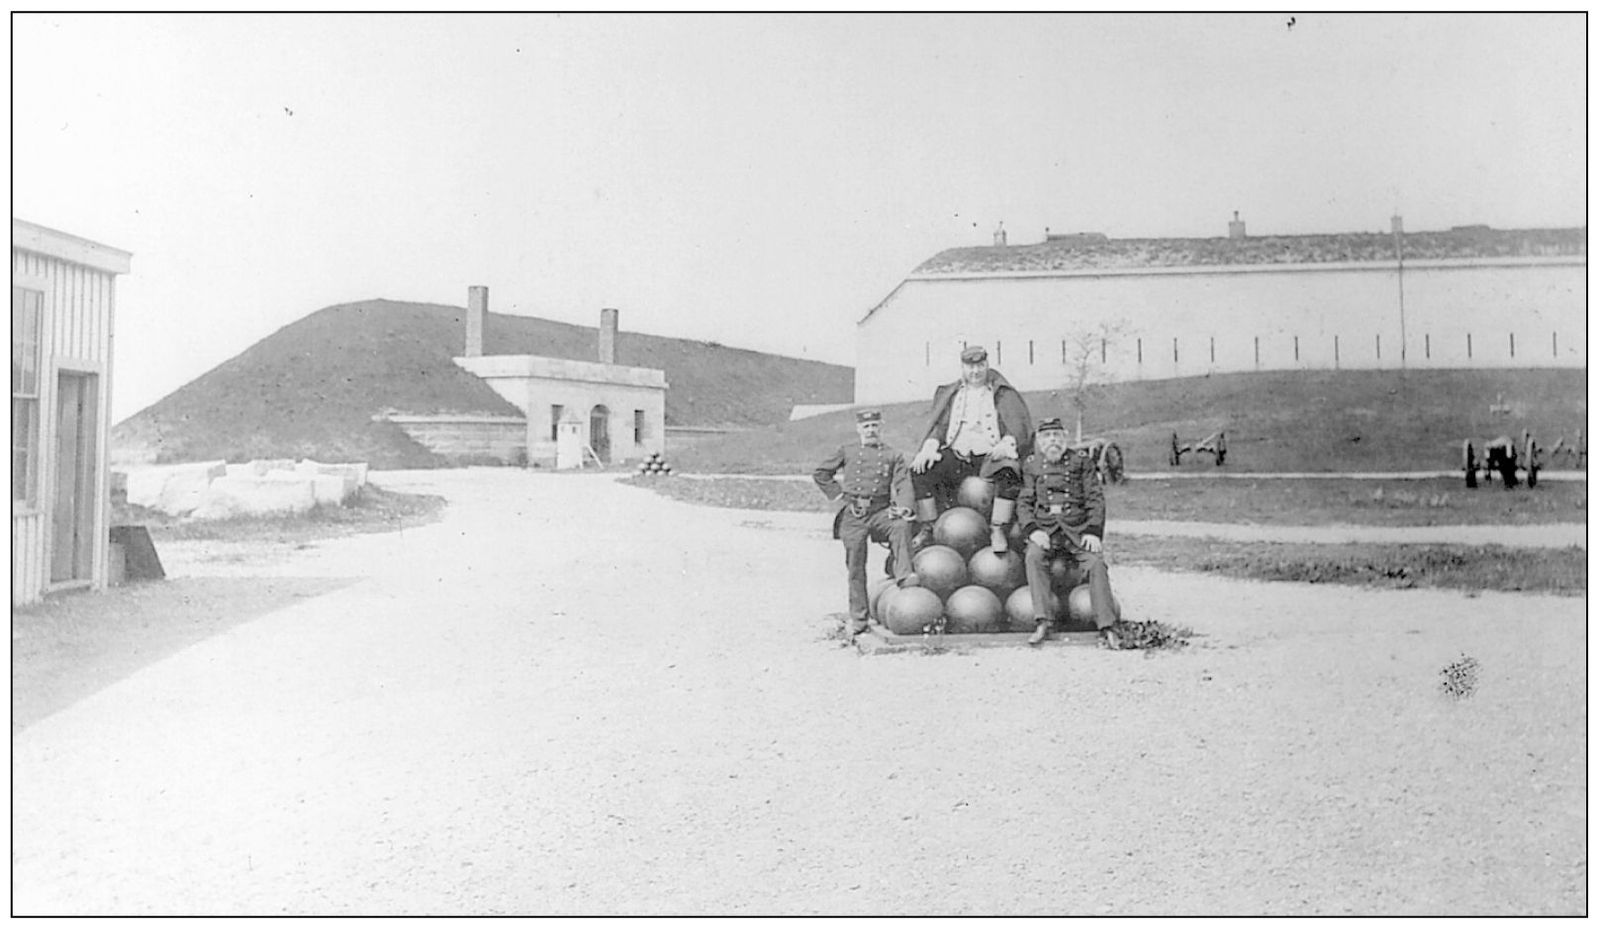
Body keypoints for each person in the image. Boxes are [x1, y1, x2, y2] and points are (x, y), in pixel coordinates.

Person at [909, 345, 1034, 553]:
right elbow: (940, 427)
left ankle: (998, 527)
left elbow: (1017, 425)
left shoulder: (1000, 392)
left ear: (987, 365)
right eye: (970, 367)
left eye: (980, 366)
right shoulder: (953, 393)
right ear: (963, 368)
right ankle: (928, 526)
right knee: (921, 469)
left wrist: (1007, 442)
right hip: (957, 455)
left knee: (1009, 470)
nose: (975, 372)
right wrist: (930, 446)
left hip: (988, 456)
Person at [814, 409, 920, 635]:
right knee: (855, 565)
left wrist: (903, 508)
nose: (871, 430)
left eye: (874, 426)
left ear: (881, 427)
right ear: (858, 429)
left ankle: (904, 576)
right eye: (866, 427)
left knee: (900, 526)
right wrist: (839, 495)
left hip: (881, 510)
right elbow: (821, 473)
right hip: (854, 513)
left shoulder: (893, 455)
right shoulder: (848, 451)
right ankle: (859, 619)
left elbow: (903, 485)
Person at [1017, 417, 1120, 647]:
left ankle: (1107, 626)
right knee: (1033, 557)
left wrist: (1093, 531)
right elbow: (1024, 502)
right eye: (1047, 436)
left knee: (1096, 564)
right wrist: (1033, 530)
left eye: (1056, 435)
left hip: (1077, 530)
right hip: (1047, 530)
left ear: (1065, 437)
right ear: (1040, 441)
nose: (1052, 440)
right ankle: (1043, 621)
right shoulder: (1032, 464)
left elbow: (1095, 498)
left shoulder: (1080, 462)